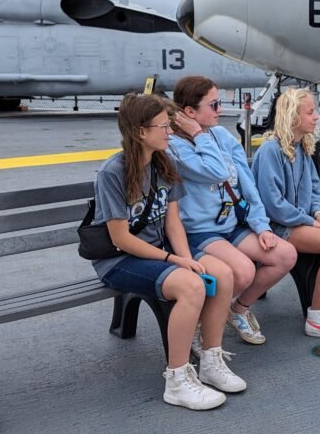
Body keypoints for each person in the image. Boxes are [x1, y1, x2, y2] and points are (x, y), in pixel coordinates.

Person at [89, 93, 244, 410]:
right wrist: (174, 260)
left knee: (223, 274)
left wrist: (185, 258)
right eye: (163, 127)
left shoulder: (163, 164)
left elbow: (173, 224)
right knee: (191, 286)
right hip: (120, 260)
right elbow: (121, 238)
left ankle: (211, 362)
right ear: (140, 132)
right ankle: (177, 379)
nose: (170, 132)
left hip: (161, 250)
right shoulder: (113, 173)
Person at [169, 75, 297, 346]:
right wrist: (198, 135)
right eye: (213, 105)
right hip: (201, 231)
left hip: (231, 223)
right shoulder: (175, 147)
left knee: (285, 255)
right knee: (243, 271)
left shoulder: (222, 135)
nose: (221, 109)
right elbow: (216, 172)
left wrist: (261, 225)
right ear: (189, 112)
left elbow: (247, 184)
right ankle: (198, 323)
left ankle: (237, 309)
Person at [252, 88, 320, 338]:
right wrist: (310, 222)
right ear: (293, 116)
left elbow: (314, 189)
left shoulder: (302, 146)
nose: (316, 117)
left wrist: (319, 215)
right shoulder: (271, 151)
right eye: (310, 112)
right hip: (277, 225)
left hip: (300, 221)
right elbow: (274, 205)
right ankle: (316, 316)